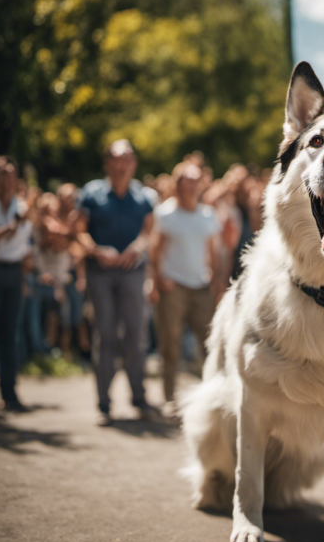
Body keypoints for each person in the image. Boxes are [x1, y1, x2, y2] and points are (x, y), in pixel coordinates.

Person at [76, 140, 157, 426]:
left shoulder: (144, 196)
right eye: (117, 158)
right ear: (108, 163)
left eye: (128, 158)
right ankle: (104, 403)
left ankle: (139, 398)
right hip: (100, 273)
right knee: (105, 335)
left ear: (133, 163)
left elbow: (148, 231)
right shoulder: (91, 194)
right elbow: (80, 232)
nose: (122, 164)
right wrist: (98, 250)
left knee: (136, 335)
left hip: (133, 273)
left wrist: (138, 246)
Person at [149, 162, 220, 417]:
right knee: (171, 345)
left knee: (209, 344)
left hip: (201, 287)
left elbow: (212, 250)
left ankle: (212, 397)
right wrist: (157, 280)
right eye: (186, 180)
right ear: (178, 184)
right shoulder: (166, 213)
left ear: (202, 184)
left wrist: (214, 279)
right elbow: (155, 249)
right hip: (173, 287)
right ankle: (169, 399)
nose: (191, 185)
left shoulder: (208, 215)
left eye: (195, 180)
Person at [0, 156, 33, 411]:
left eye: (10, 173)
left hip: (14, 272)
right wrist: (10, 227)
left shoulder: (22, 207)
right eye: (1, 173)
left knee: (10, 334)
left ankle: (9, 392)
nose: (6, 178)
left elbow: (23, 246)